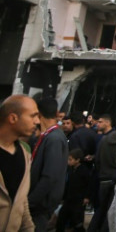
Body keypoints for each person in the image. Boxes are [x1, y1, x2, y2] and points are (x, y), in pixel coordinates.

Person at [28, 97, 68, 232]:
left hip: (41, 205)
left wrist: (30, 201)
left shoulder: (54, 138)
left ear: (38, 114)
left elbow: (50, 176)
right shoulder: (48, 136)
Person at [0, 95, 39, 232]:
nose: (37, 121)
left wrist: (29, 229)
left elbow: (22, 202)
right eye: (33, 116)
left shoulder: (24, 154)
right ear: (13, 118)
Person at [89, 115, 116, 232]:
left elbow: (98, 160)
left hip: (103, 178)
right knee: (111, 214)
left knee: (101, 210)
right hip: (115, 181)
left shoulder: (103, 139)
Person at [56, 148, 92, 232]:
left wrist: (87, 197)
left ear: (78, 160)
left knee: (77, 222)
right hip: (69, 199)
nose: (69, 161)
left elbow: (89, 185)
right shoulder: (71, 169)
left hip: (78, 200)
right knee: (61, 219)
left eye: (70, 159)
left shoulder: (84, 171)